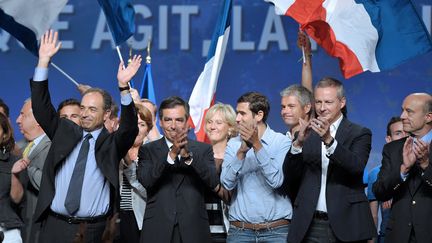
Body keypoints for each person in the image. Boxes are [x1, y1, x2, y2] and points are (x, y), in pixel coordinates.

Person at [30, 30, 140, 242]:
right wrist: (43, 61)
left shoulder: (111, 143)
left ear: (106, 113)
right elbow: (41, 107)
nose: (85, 114)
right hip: (54, 227)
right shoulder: (64, 131)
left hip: (93, 231)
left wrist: (123, 87)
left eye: (92, 109)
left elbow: (129, 129)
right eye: (83, 108)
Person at [283, 77, 375, 243]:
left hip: (346, 222)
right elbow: (290, 178)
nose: (322, 108)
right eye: (318, 102)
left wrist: (329, 140)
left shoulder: (359, 133)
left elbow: (356, 167)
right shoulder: (306, 133)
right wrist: (297, 144)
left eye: (328, 102)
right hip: (309, 223)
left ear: (342, 102)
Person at [137, 96, 220, 243]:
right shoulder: (147, 150)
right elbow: (147, 181)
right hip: (158, 228)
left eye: (179, 120)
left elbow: (213, 182)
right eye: (168, 120)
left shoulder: (203, 149)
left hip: (194, 229)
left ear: (187, 122)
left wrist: (188, 158)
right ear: (160, 122)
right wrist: (171, 154)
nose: (173, 126)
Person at [221, 92, 292, 243]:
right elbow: (226, 183)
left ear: (259, 115)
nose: (237, 119)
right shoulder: (233, 144)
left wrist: (257, 146)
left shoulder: (281, 142)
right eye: (237, 113)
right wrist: (240, 153)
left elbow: (276, 181)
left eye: (242, 114)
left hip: (276, 231)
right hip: (240, 232)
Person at [373, 93, 432, 243]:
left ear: (428, 117)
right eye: (402, 110)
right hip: (398, 236)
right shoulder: (392, 149)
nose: (402, 116)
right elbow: (379, 191)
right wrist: (403, 170)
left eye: (409, 111)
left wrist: (426, 165)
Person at [16, 98, 52, 243]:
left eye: (23, 115)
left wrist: (27, 167)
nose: (18, 120)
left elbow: (48, 185)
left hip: (38, 226)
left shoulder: (53, 145)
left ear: (38, 119)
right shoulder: (19, 147)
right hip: (19, 222)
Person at [367, 117, 407, 243]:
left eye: (406, 132)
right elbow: (373, 215)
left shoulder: (421, 165)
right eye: (398, 133)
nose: (403, 137)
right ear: (388, 139)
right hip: (387, 237)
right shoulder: (375, 174)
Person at [117, 104, 153, 243]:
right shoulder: (114, 150)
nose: (136, 129)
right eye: (132, 123)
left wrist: (130, 167)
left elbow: (150, 192)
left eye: (141, 124)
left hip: (141, 218)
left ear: (148, 129)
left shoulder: (153, 154)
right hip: (116, 218)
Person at [203, 103, 237, 242]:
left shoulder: (238, 157)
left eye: (218, 122)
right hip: (201, 228)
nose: (212, 127)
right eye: (210, 122)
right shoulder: (199, 156)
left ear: (230, 128)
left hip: (229, 230)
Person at [0, 112, 24, 243]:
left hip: (7, 230)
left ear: (4, 134)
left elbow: (17, 198)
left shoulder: (13, 161)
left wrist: (14, 174)